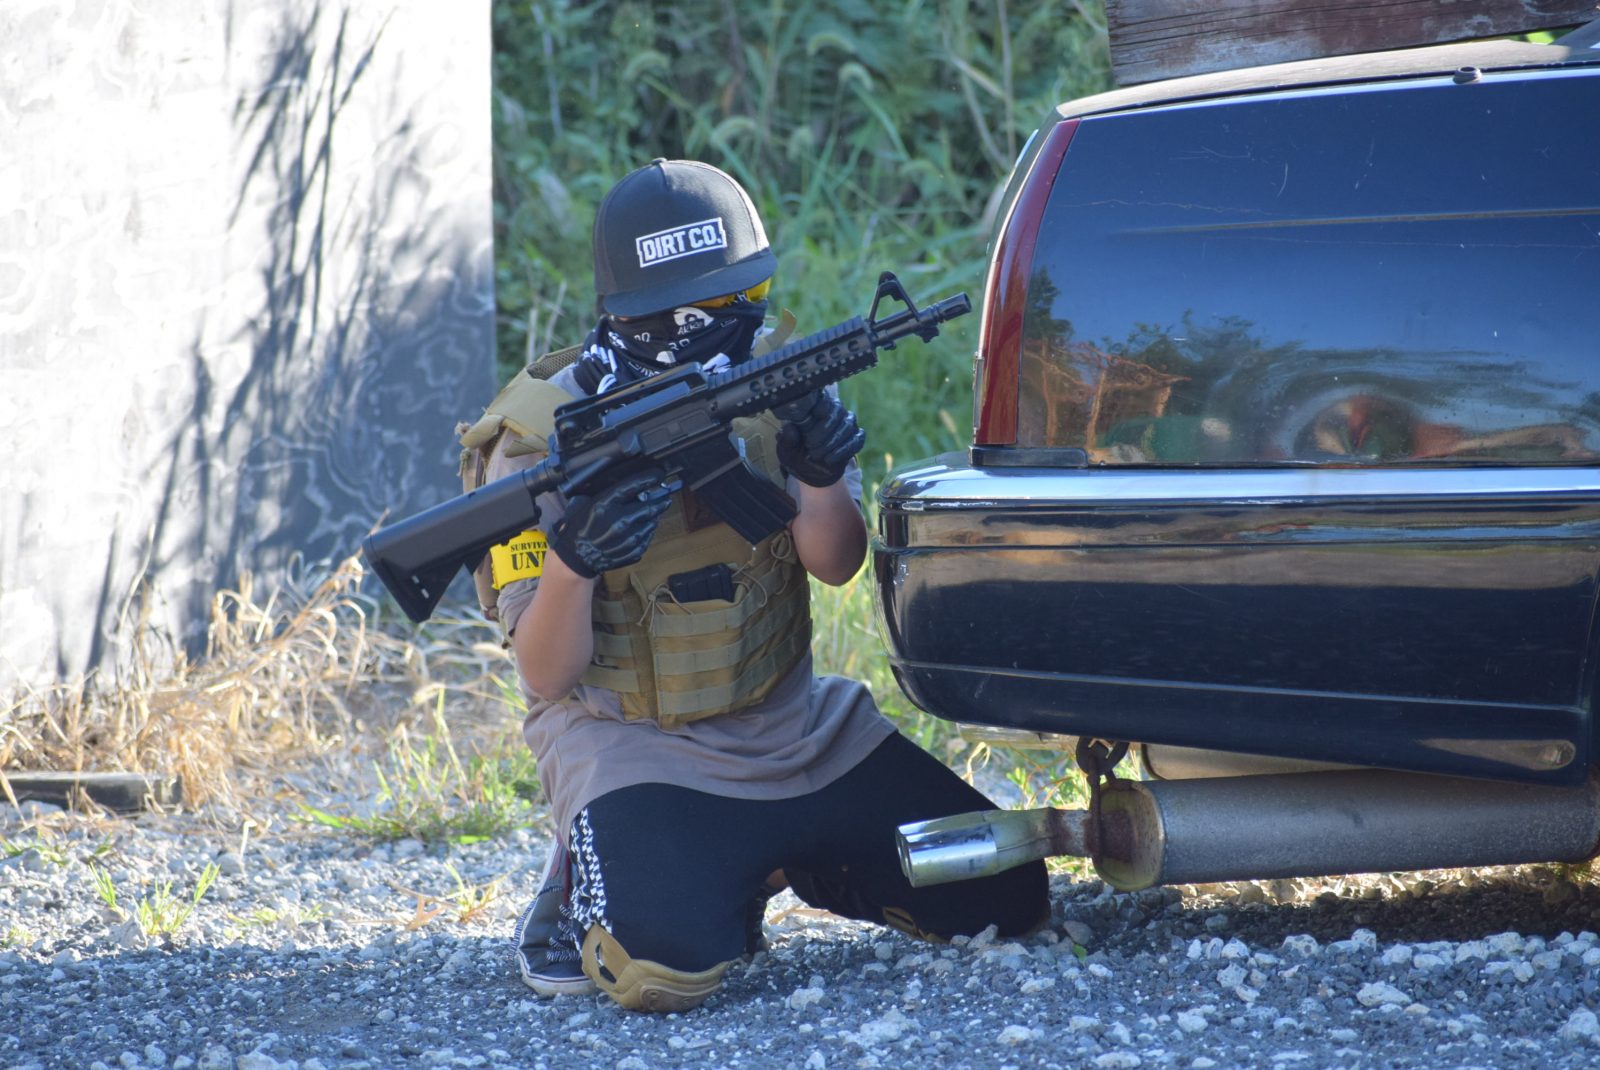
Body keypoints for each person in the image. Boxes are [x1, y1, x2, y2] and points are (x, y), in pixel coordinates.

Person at [485, 159, 1047, 1013]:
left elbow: (835, 563)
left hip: (797, 728)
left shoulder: (775, 380)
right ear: (643, 314)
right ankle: (581, 873)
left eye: (748, 294)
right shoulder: (540, 440)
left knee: (1006, 897)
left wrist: (817, 476)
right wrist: (575, 560)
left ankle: (766, 857)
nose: (740, 318)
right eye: (716, 305)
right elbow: (545, 673)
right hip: (632, 744)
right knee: (660, 969)